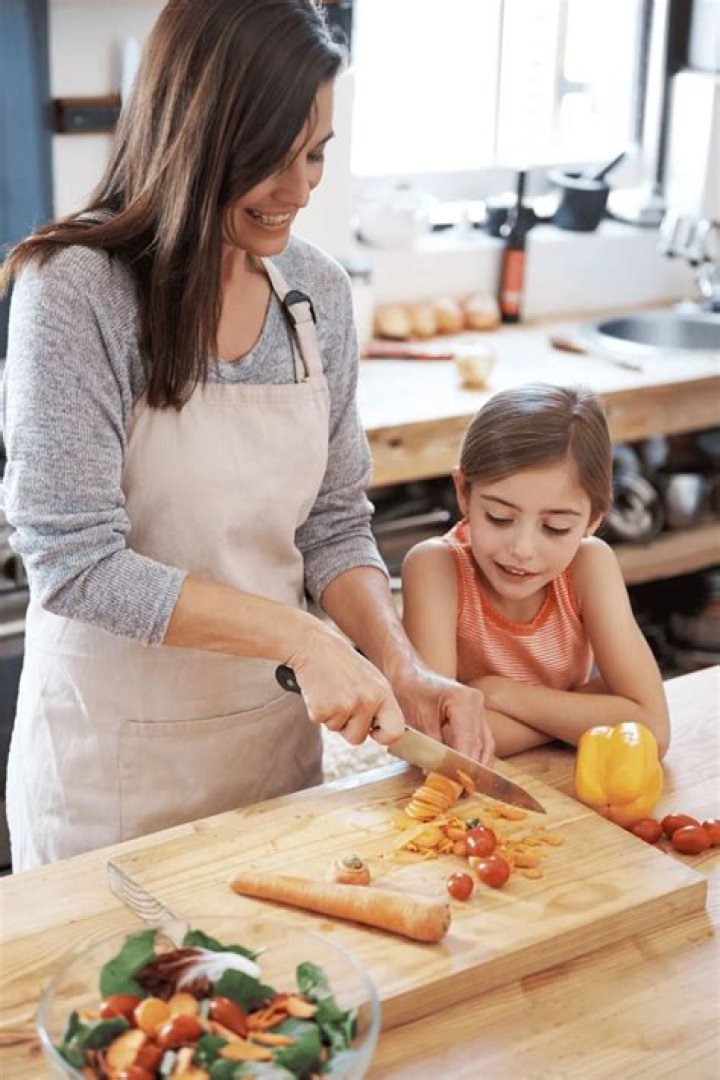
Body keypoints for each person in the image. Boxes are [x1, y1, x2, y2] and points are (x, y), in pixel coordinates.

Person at [1, 0, 492, 872]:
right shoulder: (78, 293)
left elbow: (334, 523)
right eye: (274, 155)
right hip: (111, 779)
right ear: (195, 135)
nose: (302, 189)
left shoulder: (317, 294)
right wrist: (303, 639)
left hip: (274, 756)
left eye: (316, 154)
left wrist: (400, 665)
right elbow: (74, 562)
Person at [402, 384, 670, 759]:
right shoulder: (435, 568)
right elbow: (439, 738)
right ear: (464, 492)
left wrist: (498, 694)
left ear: (593, 518)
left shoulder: (589, 566)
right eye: (499, 518)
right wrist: (576, 714)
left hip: (566, 780)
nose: (522, 550)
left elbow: (652, 730)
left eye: (555, 527)